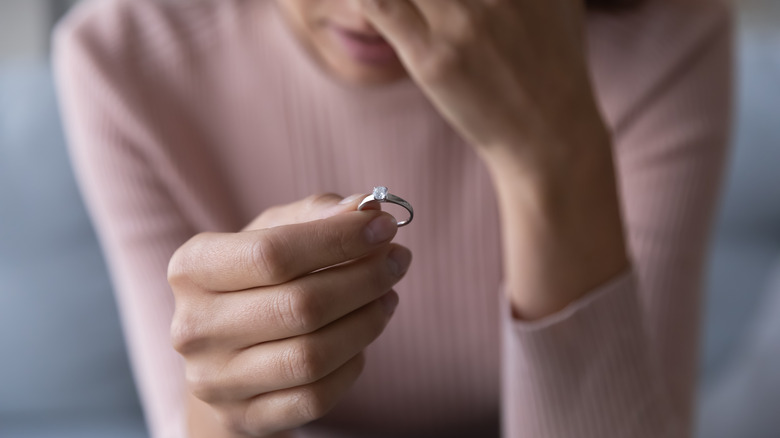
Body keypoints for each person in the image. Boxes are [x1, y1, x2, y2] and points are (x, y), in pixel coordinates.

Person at [53, 0, 733, 436]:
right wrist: (223, 414)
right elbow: (186, 422)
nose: (370, 10)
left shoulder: (668, 40)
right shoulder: (121, 60)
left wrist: (555, 157)